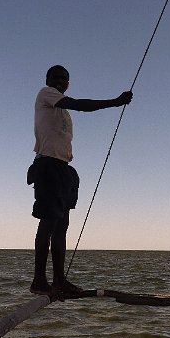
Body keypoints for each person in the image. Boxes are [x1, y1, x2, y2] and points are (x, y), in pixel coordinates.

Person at [27, 65, 133, 299]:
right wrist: (115, 102)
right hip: (48, 165)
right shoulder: (46, 94)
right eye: (55, 77)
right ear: (47, 80)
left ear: (68, 83)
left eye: (63, 79)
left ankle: (59, 280)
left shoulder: (61, 108)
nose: (58, 81)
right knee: (48, 222)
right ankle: (39, 280)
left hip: (64, 168)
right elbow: (80, 104)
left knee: (62, 225)